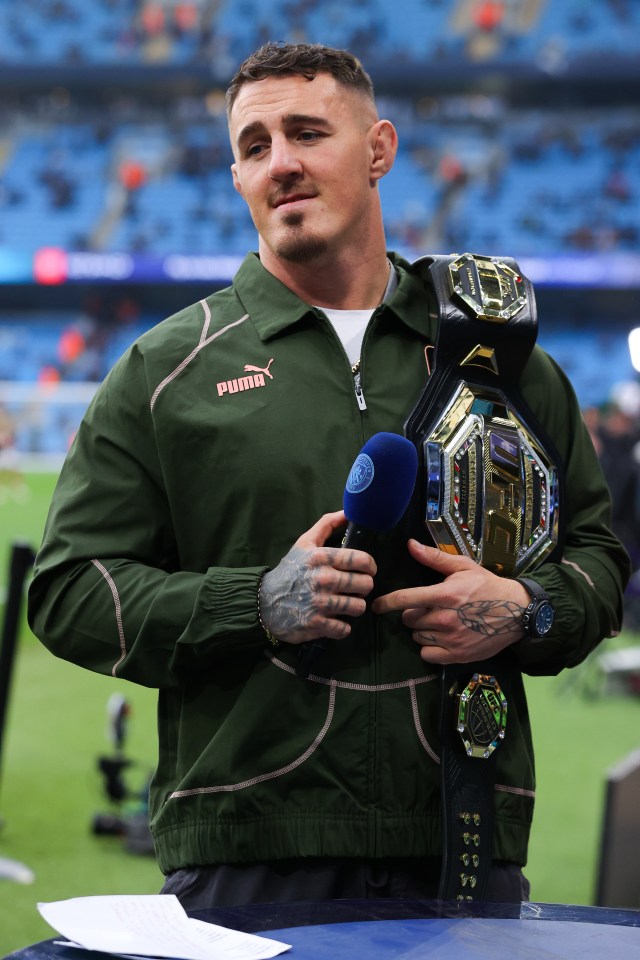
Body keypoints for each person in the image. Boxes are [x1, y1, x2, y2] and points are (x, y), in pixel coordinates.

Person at [28, 42, 629, 909]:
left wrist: (520, 609)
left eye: (308, 132)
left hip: (461, 847)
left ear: (379, 149)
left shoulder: (498, 353)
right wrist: (255, 603)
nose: (282, 163)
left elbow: (599, 560)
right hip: (244, 855)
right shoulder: (165, 371)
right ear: (235, 176)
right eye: (254, 145)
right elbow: (68, 589)